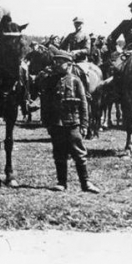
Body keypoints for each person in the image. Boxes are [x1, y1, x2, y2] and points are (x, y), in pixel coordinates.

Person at [39, 51, 99, 194]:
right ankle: (61, 182)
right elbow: (45, 103)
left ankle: (85, 182)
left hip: (72, 123)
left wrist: (84, 124)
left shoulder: (75, 81)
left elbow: (83, 104)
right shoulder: (50, 81)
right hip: (56, 124)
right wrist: (47, 122)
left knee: (79, 152)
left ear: (69, 64)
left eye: (62, 62)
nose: (58, 64)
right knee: (59, 152)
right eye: (57, 62)